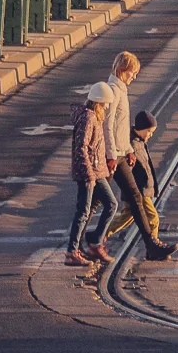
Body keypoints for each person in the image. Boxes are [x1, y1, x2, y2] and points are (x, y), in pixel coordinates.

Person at [86, 51, 178, 263]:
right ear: (121, 70)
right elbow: (108, 127)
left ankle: (149, 245)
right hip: (112, 155)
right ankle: (83, 241)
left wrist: (129, 150)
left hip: (120, 153)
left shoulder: (121, 90)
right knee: (96, 201)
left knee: (132, 199)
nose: (134, 77)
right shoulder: (113, 90)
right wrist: (112, 155)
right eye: (132, 72)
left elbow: (121, 129)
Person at [64, 82, 117, 268]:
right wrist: (89, 175)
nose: (107, 107)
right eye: (106, 104)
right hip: (88, 173)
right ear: (99, 102)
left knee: (111, 204)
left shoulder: (94, 117)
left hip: (97, 171)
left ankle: (95, 242)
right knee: (83, 211)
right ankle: (72, 252)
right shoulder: (88, 117)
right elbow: (81, 147)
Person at [106, 109, 162, 244]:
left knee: (128, 216)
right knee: (153, 218)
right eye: (149, 131)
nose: (151, 135)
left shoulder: (139, 142)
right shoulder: (131, 144)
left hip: (142, 188)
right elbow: (127, 170)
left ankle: (102, 234)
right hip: (139, 190)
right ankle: (154, 244)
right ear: (141, 128)